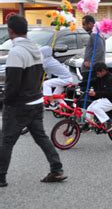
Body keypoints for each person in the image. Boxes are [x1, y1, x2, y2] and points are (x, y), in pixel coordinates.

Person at [0, 15, 66, 187]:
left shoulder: (16, 52)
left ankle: (1, 176)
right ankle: (57, 169)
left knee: (6, 141)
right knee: (41, 137)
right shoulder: (36, 49)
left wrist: (5, 102)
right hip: (36, 102)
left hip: (18, 105)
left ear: (11, 31)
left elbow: (12, 84)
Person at [86, 62, 112, 132]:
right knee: (90, 108)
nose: (96, 74)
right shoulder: (100, 77)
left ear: (103, 71)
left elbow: (108, 93)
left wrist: (95, 94)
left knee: (96, 108)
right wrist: (78, 84)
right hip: (104, 99)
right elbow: (91, 82)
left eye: (98, 73)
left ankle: (109, 122)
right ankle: (89, 124)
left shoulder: (110, 79)